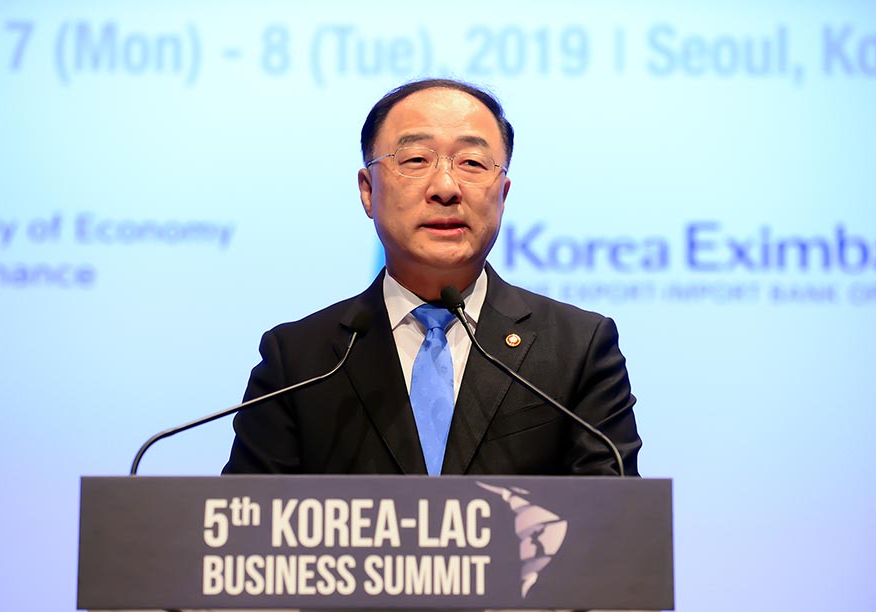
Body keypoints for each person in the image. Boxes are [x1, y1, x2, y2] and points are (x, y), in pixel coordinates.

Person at [223, 78, 641, 476]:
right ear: (368, 191)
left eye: (472, 163)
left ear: (502, 195)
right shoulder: (299, 362)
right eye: (416, 160)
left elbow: (613, 515)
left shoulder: (578, 348)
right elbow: (248, 518)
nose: (445, 187)